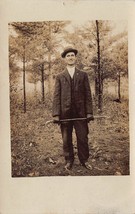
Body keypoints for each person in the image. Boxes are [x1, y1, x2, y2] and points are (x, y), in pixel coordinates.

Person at [52, 46, 94, 170]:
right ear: (65, 59)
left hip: (80, 113)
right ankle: (69, 160)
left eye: (72, 55)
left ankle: (84, 160)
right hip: (65, 114)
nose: (70, 57)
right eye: (68, 55)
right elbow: (56, 96)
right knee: (66, 140)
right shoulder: (60, 76)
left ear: (75, 58)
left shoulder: (83, 75)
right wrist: (56, 114)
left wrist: (89, 112)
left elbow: (88, 94)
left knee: (82, 138)